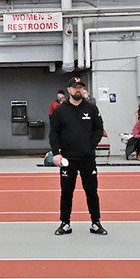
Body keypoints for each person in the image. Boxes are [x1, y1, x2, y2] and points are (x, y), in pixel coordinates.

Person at [46, 78, 107, 235]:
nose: (78, 90)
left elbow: (98, 129)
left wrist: (90, 146)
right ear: (69, 90)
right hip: (68, 159)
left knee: (92, 191)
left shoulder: (92, 109)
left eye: (80, 87)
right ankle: (65, 223)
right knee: (66, 192)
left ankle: (96, 222)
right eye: (75, 87)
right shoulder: (60, 110)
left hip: (87, 159)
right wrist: (57, 153)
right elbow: (54, 133)